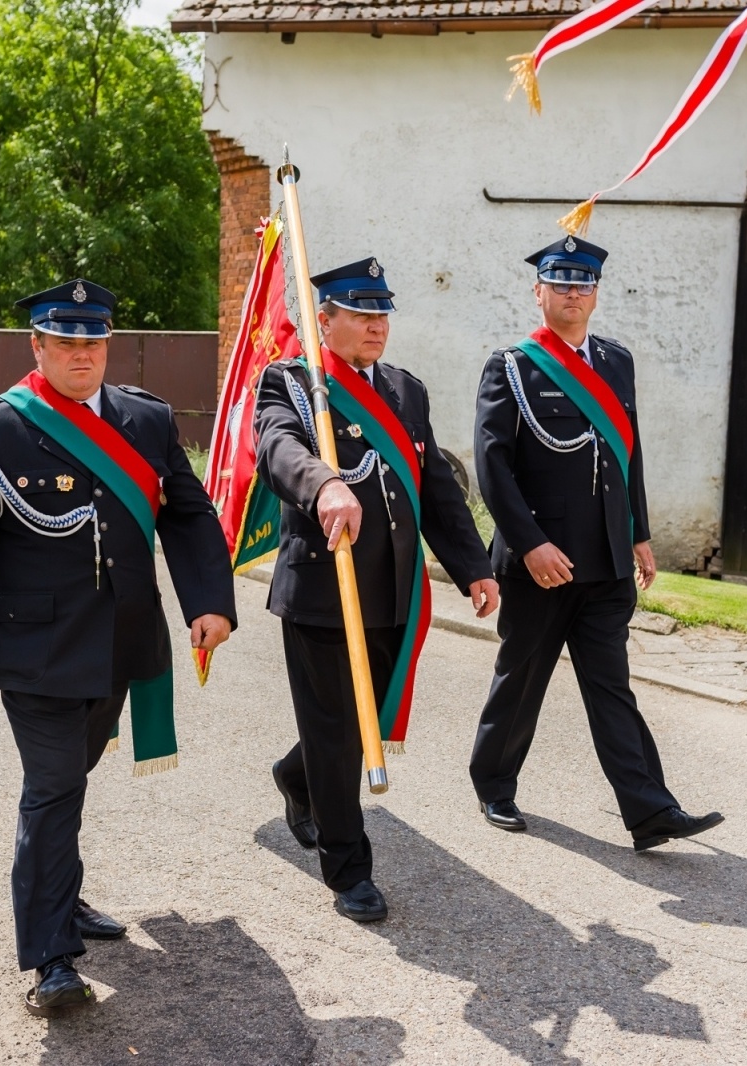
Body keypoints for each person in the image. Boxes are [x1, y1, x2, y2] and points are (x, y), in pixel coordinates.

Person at [0, 278, 236, 1012]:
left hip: (122, 646)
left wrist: (210, 603)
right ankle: (51, 960)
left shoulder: (147, 420)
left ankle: (62, 898)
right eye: (64, 342)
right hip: (36, 653)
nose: (80, 355)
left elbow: (188, 517)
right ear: (36, 346)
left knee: (74, 779)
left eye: (91, 341)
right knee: (53, 787)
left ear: (109, 345)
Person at [253, 257, 496, 923]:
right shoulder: (293, 385)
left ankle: (297, 777)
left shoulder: (404, 390)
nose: (376, 325)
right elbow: (277, 450)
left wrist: (473, 565)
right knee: (337, 732)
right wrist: (325, 483)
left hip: (394, 591)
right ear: (323, 320)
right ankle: (349, 868)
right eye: (360, 313)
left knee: (361, 720)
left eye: (382, 312)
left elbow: (436, 488)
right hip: (323, 591)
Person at [468, 236, 722, 852]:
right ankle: (494, 783)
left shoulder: (616, 362)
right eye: (561, 284)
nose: (573, 294)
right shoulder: (511, 366)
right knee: (522, 676)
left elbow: (627, 454)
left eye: (583, 285)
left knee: (611, 686)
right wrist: (529, 545)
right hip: (541, 566)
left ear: (596, 294)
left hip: (606, 561)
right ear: (539, 292)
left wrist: (638, 532)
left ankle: (651, 810)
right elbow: (492, 468)